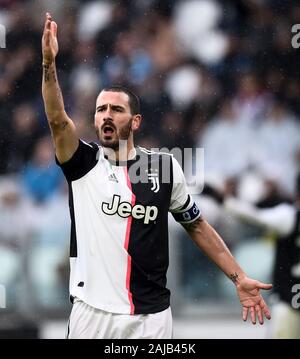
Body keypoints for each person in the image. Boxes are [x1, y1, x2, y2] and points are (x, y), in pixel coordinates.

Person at [41, 12, 272, 339]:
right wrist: (49, 63)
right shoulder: (82, 162)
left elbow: (196, 225)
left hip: (150, 318)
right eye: (100, 109)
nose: (106, 116)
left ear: (135, 122)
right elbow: (57, 119)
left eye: (116, 110)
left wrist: (238, 277)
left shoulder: (163, 168)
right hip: (92, 314)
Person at [221, 174, 300, 339]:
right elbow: (256, 216)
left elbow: (256, 216)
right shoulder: (289, 216)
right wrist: (226, 201)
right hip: (288, 305)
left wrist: (225, 201)